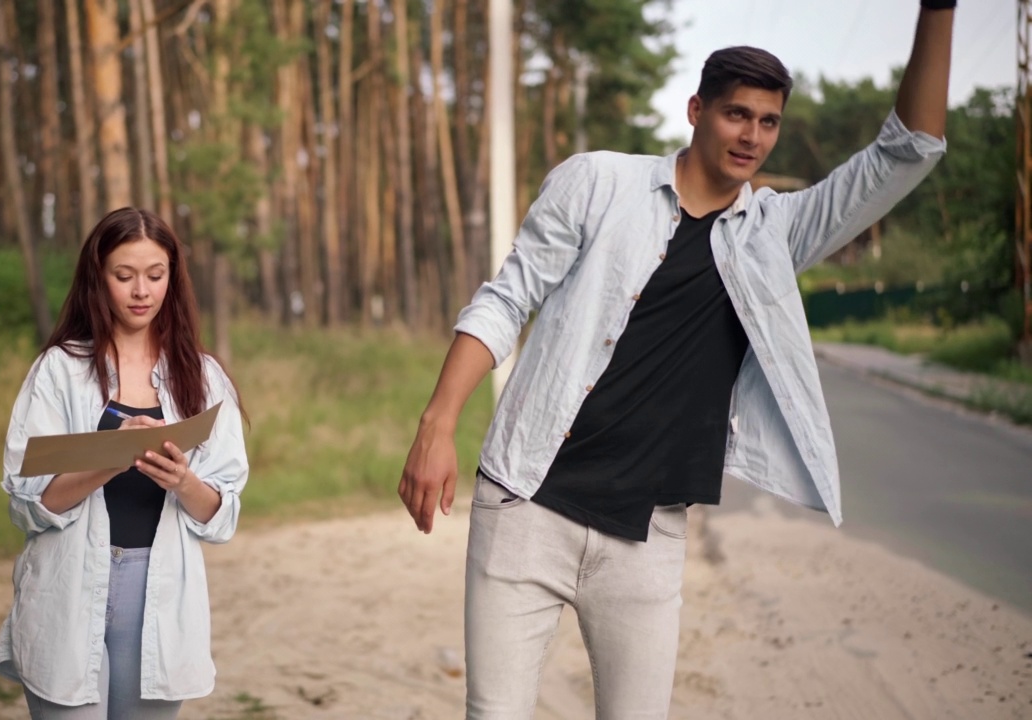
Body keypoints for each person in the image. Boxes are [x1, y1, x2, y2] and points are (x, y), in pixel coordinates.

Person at [399, 3, 955, 718]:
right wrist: (437, 423)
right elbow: (507, 300)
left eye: (767, 121)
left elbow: (906, 151)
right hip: (528, 508)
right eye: (736, 114)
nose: (751, 136)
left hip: (647, 538)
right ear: (696, 110)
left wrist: (939, 10)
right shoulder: (598, 184)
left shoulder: (773, 236)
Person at [0, 207, 249, 720]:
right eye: (124, 276)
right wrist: (112, 458)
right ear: (98, 277)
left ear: (172, 279)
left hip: (155, 586)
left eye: (155, 276)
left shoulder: (201, 376)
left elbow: (221, 513)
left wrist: (182, 480)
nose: (141, 292)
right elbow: (27, 503)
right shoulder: (60, 371)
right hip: (68, 584)